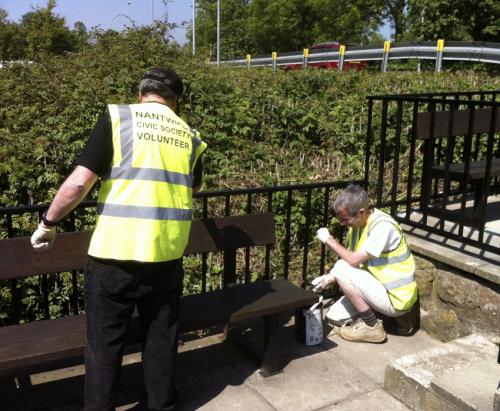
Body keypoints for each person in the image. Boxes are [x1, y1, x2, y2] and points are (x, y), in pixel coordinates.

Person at [30, 67, 207, 410]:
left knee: (104, 345)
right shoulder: (191, 136)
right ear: (176, 101)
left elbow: (80, 183)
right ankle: (162, 405)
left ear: (142, 93)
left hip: (114, 256)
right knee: (160, 339)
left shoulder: (118, 118)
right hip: (166, 257)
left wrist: (48, 221)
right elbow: (193, 186)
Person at [312, 184, 417, 344]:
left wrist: (329, 240)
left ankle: (373, 326)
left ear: (361, 212)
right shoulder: (358, 225)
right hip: (379, 287)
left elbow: (351, 261)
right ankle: (389, 317)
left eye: (345, 219)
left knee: (340, 267)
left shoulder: (383, 227)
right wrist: (328, 279)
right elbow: (352, 264)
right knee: (334, 317)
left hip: (396, 297)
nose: (341, 223)